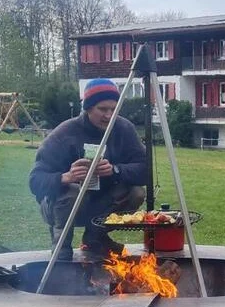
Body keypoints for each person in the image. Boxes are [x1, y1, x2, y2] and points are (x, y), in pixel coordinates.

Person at [28, 79, 148, 258]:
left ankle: (95, 238)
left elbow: (146, 170)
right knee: (72, 191)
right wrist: (65, 177)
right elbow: (35, 180)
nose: (109, 116)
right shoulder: (64, 133)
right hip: (60, 206)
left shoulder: (124, 129)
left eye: (113, 109)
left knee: (137, 192)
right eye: (102, 109)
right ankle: (61, 247)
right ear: (88, 108)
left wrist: (115, 170)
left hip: (103, 203)